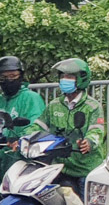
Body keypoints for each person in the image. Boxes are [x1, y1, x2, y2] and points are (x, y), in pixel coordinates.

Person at [33, 57, 104, 197]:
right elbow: (39, 126)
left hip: (85, 168)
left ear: (81, 79)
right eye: (63, 77)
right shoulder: (54, 105)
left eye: (70, 77)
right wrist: (26, 137)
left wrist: (88, 142)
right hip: (60, 167)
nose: (65, 80)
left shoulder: (92, 106)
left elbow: (97, 131)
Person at [0, 56, 46, 181]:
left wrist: (21, 138)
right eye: (3, 77)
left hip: (18, 160)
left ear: (21, 76)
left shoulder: (31, 99)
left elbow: (36, 126)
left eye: (13, 76)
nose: (8, 80)